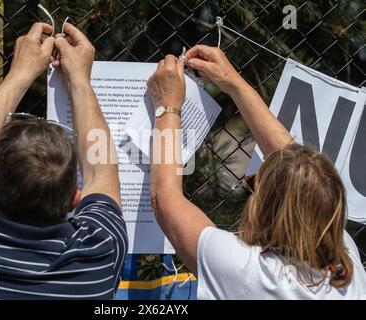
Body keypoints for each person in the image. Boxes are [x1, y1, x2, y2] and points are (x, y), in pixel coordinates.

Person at [0, 22, 127, 299]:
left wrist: (20, 74)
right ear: (74, 200)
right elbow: (101, 174)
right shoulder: (97, 254)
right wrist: (80, 81)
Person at [147, 45, 366, 299]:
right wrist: (234, 83)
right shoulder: (343, 264)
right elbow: (295, 166)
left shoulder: (249, 270)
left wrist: (167, 106)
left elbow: (165, 200)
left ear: (265, 208)